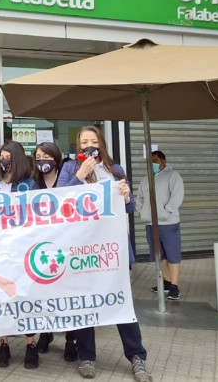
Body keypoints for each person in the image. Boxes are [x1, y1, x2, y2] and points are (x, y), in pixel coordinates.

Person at [57, 126, 152, 382]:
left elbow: (129, 206)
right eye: (84, 142)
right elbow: (59, 200)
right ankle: (86, 356)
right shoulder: (69, 168)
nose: (89, 145)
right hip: (83, 248)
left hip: (112, 249)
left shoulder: (115, 170)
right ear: (78, 146)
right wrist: (80, 175)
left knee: (120, 299)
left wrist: (126, 195)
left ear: (101, 144)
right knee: (86, 302)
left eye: (93, 141)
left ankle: (137, 356)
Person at [0, 141, 40, 369]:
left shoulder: (29, 184)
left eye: (8, 157)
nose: (4, 161)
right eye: (1, 157)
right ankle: (3, 343)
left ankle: (31, 343)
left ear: (18, 160)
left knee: (25, 296)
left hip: (21, 249)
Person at [31, 142, 77, 361]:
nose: (42, 161)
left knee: (68, 294)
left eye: (47, 157)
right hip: (43, 247)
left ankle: (71, 338)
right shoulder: (33, 184)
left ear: (56, 159)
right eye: (38, 157)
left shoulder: (67, 179)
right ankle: (46, 332)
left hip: (66, 246)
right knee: (45, 294)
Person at [136, 150, 185, 300]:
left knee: (172, 255)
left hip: (168, 223)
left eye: (156, 161)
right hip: (151, 223)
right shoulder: (145, 180)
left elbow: (177, 196)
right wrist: (142, 212)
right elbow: (139, 198)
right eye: (150, 161)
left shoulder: (173, 176)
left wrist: (165, 212)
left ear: (163, 161)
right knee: (160, 255)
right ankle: (167, 281)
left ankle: (175, 286)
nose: (153, 164)